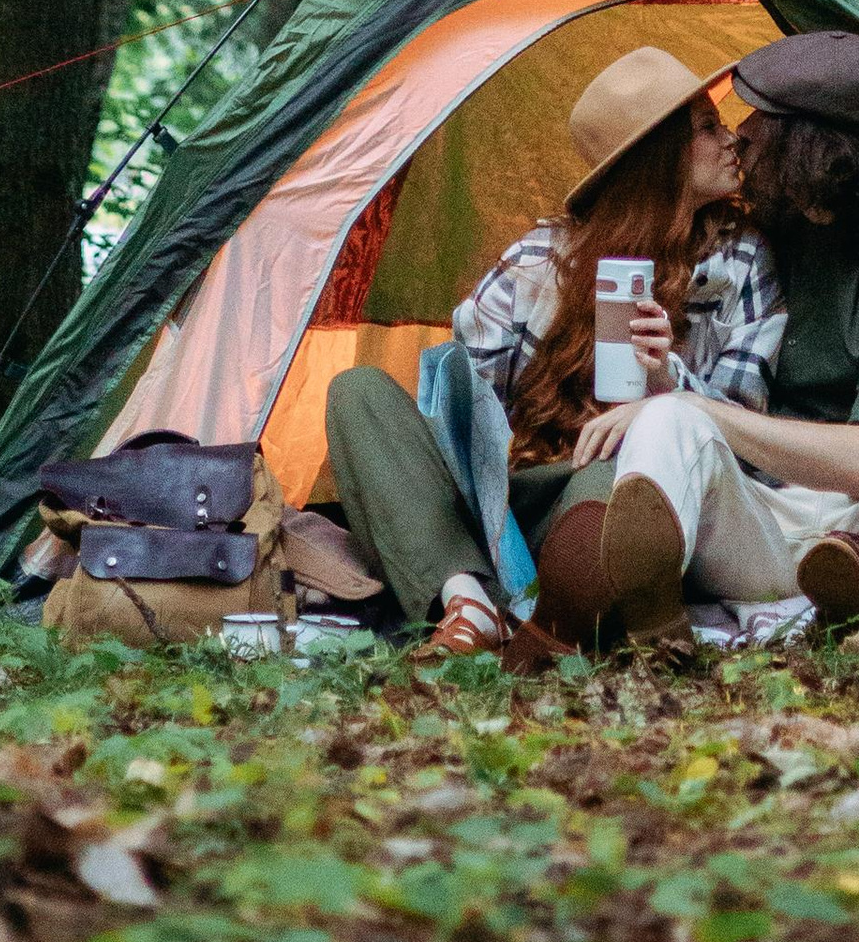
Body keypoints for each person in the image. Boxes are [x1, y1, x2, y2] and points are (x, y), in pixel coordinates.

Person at [537, 28, 859, 643]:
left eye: (761, 120)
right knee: (665, 416)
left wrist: (702, 408)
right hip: (760, 528)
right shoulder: (761, 242)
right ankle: (656, 619)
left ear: (812, 149)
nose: (741, 135)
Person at [324, 45, 782, 655]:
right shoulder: (540, 261)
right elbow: (459, 418)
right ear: (659, 157)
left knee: (619, 471)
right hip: (519, 500)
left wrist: (666, 386)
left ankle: (556, 607)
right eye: (708, 127)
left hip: (627, 490)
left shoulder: (742, 261)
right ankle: (468, 601)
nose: (732, 140)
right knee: (357, 393)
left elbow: (747, 441)